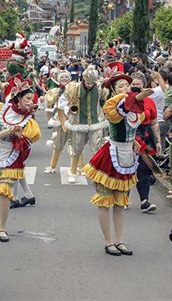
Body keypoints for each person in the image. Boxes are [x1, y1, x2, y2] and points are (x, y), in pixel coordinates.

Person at [83, 73, 153, 256]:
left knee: (120, 203)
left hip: (127, 156)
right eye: (121, 86)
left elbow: (134, 124)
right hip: (110, 156)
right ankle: (108, 242)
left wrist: (137, 144)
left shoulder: (135, 107)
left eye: (127, 86)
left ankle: (119, 240)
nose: (125, 89)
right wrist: (137, 96)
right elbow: (119, 112)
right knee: (105, 201)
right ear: (113, 90)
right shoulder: (112, 105)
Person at [0, 74, 41, 242]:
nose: (31, 102)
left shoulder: (28, 121)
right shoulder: (3, 109)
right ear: (18, 99)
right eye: (28, 98)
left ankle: (2, 228)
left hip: (11, 156)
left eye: (32, 99)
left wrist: (20, 137)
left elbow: (27, 144)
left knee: (3, 191)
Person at [58, 66, 108, 183]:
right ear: (83, 79)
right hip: (79, 122)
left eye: (92, 82)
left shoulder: (100, 87)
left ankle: (98, 173)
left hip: (96, 122)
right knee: (77, 148)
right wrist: (69, 109)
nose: (90, 85)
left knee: (98, 149)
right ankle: (73, 172)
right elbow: (62, 102)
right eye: (88, 82)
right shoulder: (73, 88)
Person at [130, 72, 159, 213]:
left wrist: (158, 141)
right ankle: (123, 199)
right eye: (133, 84)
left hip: (145, 137)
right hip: (128, 138)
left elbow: (154, 123)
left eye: (138, 85)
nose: (135, 87)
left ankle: (145, 201)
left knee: (143, 169)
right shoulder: (124, 100)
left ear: (144, 86)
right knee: (126, 170)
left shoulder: (149, 101)